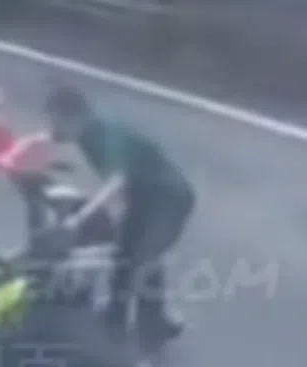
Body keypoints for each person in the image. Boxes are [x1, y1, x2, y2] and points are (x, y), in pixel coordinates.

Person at [44, 84, 195, 346]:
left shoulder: (105, 132)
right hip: (143, 198)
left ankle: (144, 334)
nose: (53, 128)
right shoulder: (86, 138)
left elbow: (117, 180)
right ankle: (121, 321)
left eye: (56, 120)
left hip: (169, 198)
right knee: (124, 255)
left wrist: (80, 219)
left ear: (74, 116)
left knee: (143, 258)